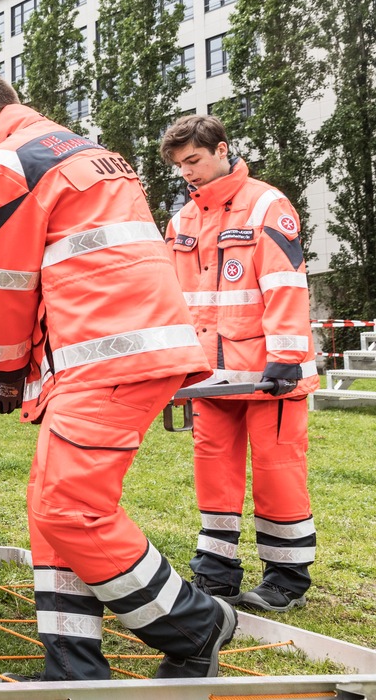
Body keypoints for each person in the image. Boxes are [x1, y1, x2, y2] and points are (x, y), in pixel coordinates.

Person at [0, 68, 232, 681]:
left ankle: (195, 625)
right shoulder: (83, 150)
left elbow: (1, 279)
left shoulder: (6, 161)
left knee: (70, 508)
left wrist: (4, 369)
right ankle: (73, 663)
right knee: (49, 506)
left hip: (105, 352)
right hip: (120, 347)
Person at [160, 115, 318, 613]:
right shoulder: (182, 220)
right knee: (214, 471)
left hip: (270, 373)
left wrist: (287, 358)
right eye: (179, 165)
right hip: (210, 374)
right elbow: (173, 299)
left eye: (194, 160)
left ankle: (286, 579)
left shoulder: (267, 204)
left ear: (221, 149)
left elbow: (285, 285)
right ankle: (216, 571)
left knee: (278, 471)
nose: (187, 172)